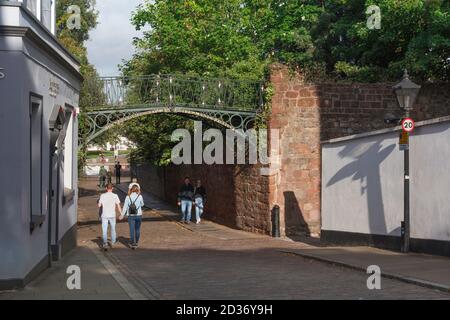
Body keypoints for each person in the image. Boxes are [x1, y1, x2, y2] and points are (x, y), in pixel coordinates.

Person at [98, 184, 121, 249]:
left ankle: (105, 243)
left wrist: (99, 202)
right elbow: (118, 205)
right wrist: (121, 213)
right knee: (113, 228)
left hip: (104, 215)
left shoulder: (102, 195)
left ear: (106, 188)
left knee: (104, 229)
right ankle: (113, 242)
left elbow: (99, 205)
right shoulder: (115, 196)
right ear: (112, 188)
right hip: (112, 215)